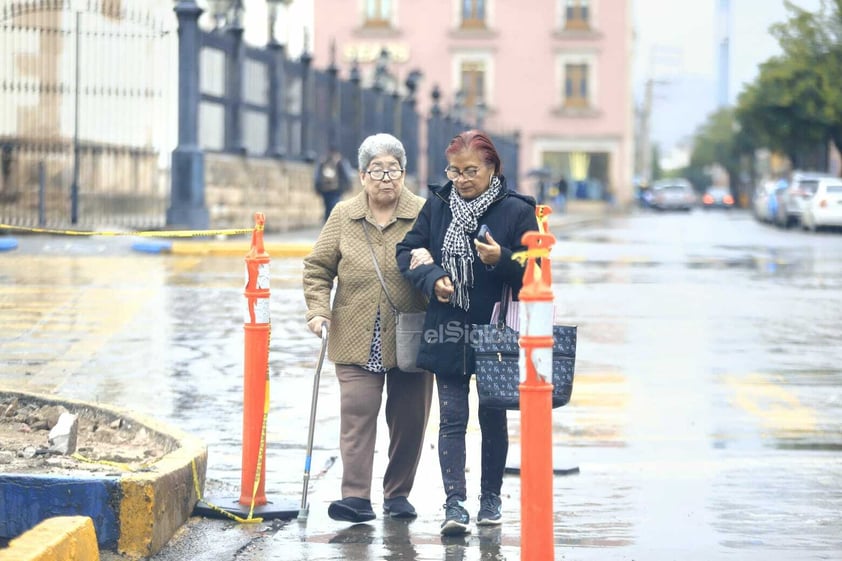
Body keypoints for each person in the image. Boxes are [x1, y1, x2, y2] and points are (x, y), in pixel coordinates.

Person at [395, 130, 539, 535]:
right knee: (452, 418)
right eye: (454, 171)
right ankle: (454, 505)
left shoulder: (516, 211)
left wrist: (503, 258)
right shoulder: (438, 206)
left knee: (493, 416)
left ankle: (490, 500)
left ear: (492, 168)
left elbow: (537, 269)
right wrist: (434, 276)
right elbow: (407, 250)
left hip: (496, 329)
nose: (460, 179)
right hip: (448, 326)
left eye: (470, 171)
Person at [303, 133, 434, 524]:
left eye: (393, 169)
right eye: (377, 170)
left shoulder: (424, 213)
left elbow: (446, 265)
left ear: (404, 172)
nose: (386, 178)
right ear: (361, 175)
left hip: (410, 333)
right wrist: (318, 310)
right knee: (357, 415)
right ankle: (356, 497)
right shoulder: (343, 214)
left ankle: (397, 494)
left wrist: (432, 263)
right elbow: (318, 268)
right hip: (356, 332)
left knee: (409, 419)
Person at [314, 145, 353, 222]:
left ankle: (329, 221)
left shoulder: (324, 161)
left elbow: (317, 176)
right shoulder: (341, 162)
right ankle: (331, 222)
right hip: (335, 189)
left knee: (329, 206)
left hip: (327, 189)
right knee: (333, 206)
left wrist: (317, 187)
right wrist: (348, 185)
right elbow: (347, 175)